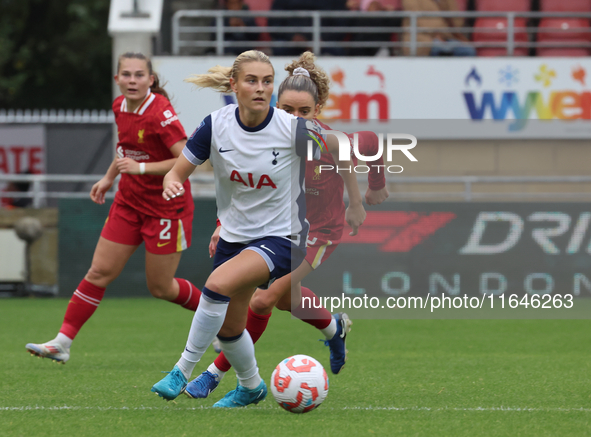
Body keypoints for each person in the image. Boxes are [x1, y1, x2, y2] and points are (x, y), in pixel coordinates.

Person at [150, 50, 366, 408]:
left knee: (246, 295)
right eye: (254, 81)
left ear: (317, 110)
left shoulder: (300, 134)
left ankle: (191, 371)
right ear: (234, 85)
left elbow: (345, 151)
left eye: (267, 81)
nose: (261, 89)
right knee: (241, 323)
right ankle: (258, 380)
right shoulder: (218, 125)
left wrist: (357, 202)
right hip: (241, 236)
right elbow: (230, 185)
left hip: (299, 233)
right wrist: (210, 215)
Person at [25, 52, 201, 364]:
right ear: (116, 79)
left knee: (161, 287)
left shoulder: (160, 112)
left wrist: (142, 170)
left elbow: (186, 159)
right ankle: (62, 342)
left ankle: (218, 322)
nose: (132, 80)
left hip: (166, 208)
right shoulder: (119, 106)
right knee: (98, 272)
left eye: (139, 75)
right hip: (129, 203)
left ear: (151, 80)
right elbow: (126, 150)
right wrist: (108, 178)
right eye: (127, 75)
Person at [402, 0, 475, 56]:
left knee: (468, 51)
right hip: (422, 38)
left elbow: (457, 21)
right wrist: (437, 33)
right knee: (441, 49)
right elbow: (420, 21)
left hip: (446, 37)